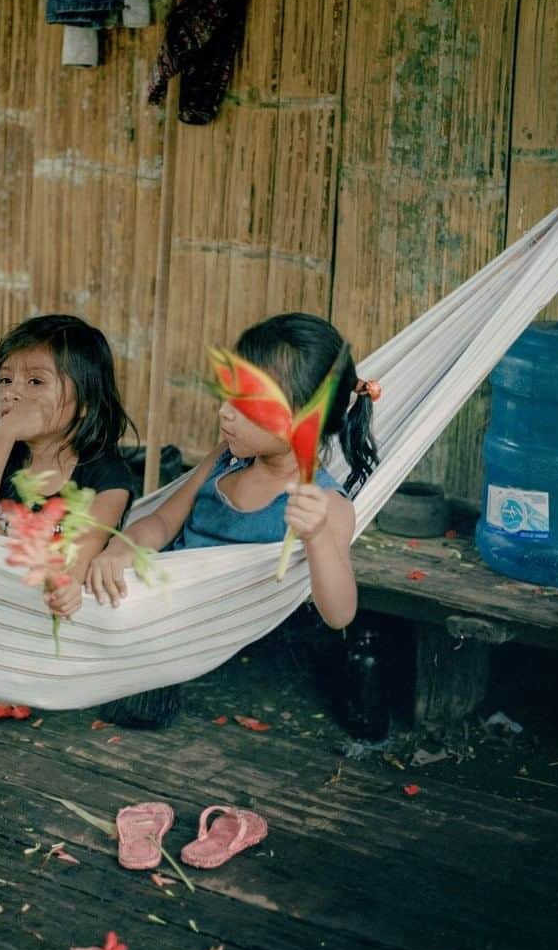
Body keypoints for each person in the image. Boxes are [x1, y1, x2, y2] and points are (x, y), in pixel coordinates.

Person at [86, 312, 379, 728]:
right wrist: (121, 549)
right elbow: (164, 521)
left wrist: (314, 537)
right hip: (150, 590)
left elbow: (340, 612)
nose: (225, 413)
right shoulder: (226, 460)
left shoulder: (324, 504)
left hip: (202, 620)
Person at [0, 314, 138, 619]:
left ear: (85, 403)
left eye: (35, 381)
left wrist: (66, 583)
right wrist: (3, 432)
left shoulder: (106, 476)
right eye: (6, 380)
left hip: (51, 601)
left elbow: (82, 551)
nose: (12, 392)